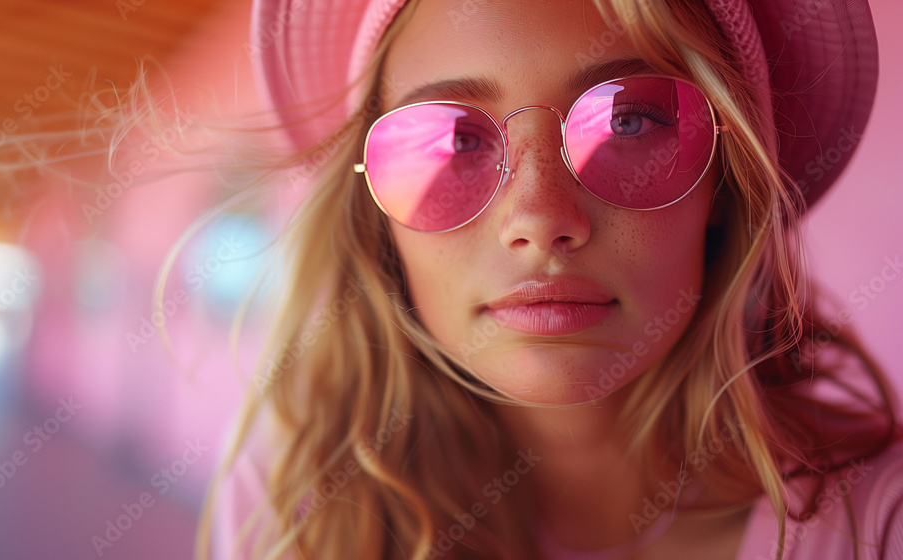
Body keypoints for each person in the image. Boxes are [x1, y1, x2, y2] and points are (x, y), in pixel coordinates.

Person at [203, 0, 901, 559]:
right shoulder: (296, 512)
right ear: (373, 210)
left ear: (725, 180)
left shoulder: (881, 524)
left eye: (627, 119)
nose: (539, 219)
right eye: (454, 139)